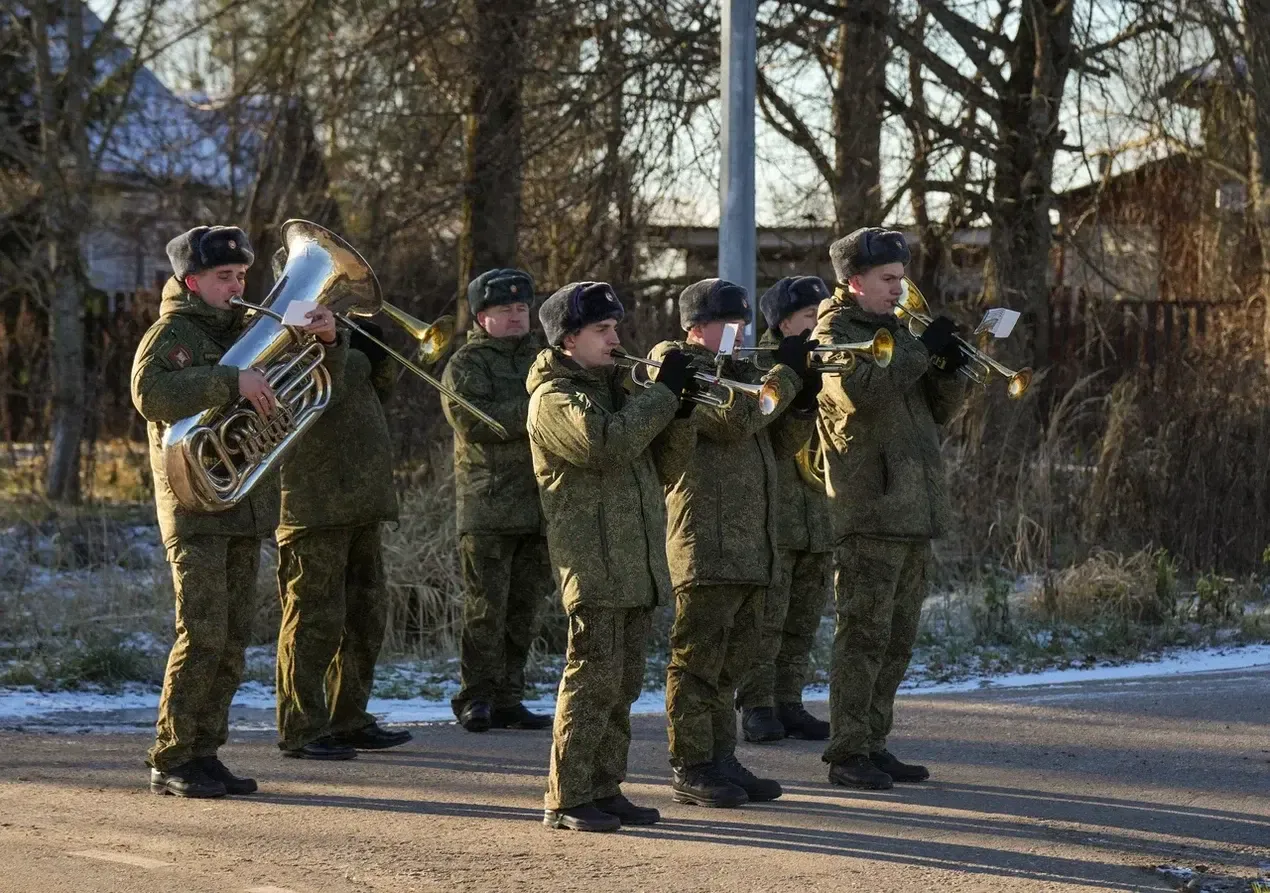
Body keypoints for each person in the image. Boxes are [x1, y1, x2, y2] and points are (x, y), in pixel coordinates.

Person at [131, 225, 330, 797]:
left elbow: (308, 388)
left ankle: (205, 751)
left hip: (242, 505)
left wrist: (325, 340)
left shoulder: (252, 329)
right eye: (225, 277)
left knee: (235, 635)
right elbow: (150, 395)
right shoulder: (172, 333)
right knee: (202, 634)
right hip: (194, 507)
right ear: (191, 282)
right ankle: (171, 757)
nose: (238, 285)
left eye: (242, 275)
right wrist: (230, 381)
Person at [528, 281, 696, 832]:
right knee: (591, 678)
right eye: (603, 330)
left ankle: (604, 785)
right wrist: (661, 397)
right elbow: (606, 447)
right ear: (569, 339)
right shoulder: (553, 398)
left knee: (622, 684)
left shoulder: (617, 389)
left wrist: (683, 410)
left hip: (637, 560)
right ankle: (568, 796)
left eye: (615, 329)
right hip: (593, 561)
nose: (616, 339)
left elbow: (662, 466)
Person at [650, 278, 816, 808]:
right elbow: (735, 422)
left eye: (744, 322)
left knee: (732, 663)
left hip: (751, 543)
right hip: (707, 539)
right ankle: (692, 763)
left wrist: (803, 399)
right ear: (695, 327)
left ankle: (721, 757)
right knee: (697, 660)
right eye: (729, 322)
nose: (741, 332)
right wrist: (787, 377)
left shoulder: (745, 373)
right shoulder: (682, 370)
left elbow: (784, 442)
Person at [813, 227, 967, 790]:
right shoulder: (834, 333)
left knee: (898, 636)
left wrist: (948, 368)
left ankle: (875, 741)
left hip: (913, 508)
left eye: (901, 278)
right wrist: (921, 350)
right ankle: (847, 750)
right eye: (888, 280)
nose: (900, 290)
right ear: (854, 282)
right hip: (869, 510)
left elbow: (938, 412)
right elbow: (861, 394)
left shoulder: (898, 332)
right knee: (863, 634)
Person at [271, 246, 410, 761]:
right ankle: (301, 727)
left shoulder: (346, 343)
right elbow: (313, 392)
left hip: (364, 502)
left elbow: (374, 394)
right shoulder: (276, 344)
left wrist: (367, 350)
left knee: (365, 619)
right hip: (312, 505)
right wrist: (337, 344)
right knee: (312, 621)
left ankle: (348, 716)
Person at [441, 269, 554, 733]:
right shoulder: (466, 364)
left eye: (522, 308)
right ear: (482, 316)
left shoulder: (546, 359)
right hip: (488, 505)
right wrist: (540, 412)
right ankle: (476, 696)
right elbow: (476, 421)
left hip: (539, 502)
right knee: (484, 609)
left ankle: (509, 696)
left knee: (524, 608)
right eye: (504, 310)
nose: (515, 316)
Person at [735, 277, 834, 744]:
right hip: (776, 514)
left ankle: (789, 701)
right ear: (784, 322)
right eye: (811, 317)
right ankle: (756, 705)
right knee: (766, 621)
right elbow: (763, 430)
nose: (820, 324)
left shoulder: (829, 362)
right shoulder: (760, 366)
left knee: (803, 618)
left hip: (819, 511)